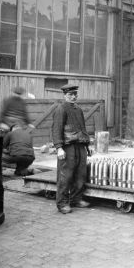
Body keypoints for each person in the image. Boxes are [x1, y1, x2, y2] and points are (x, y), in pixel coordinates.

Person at [51, 84, 91, 214]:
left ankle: (76, 199)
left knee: (80, 174)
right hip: (67, 147)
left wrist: (87, 145)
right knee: (65, 176)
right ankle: (62, 203)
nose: (73, 97)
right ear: (65, 95)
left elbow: (82, 129)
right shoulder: (60, 109)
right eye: (70, 95)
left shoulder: (78, 109)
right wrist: (59, 148)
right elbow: (56, 129)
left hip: (80, 145)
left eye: (75, 94)